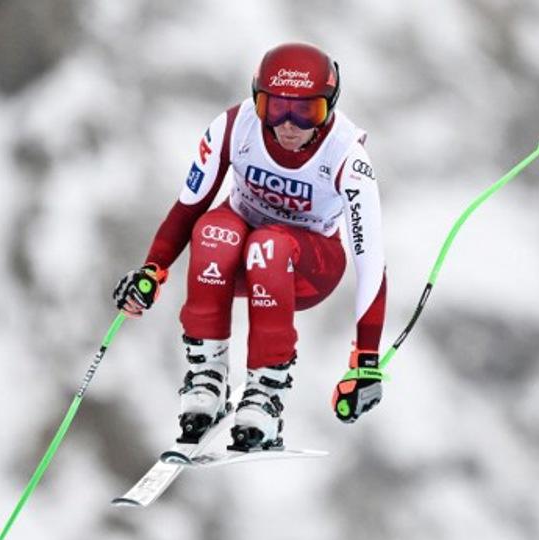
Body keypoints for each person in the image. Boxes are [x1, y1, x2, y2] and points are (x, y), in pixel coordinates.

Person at [112, 42, 386, 451]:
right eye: (274, 108)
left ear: (329, 107)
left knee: (268, 245)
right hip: (238, 256)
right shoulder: (234, 127)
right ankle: (206, 378)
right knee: (212, 230)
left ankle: (266, 393)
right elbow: (189, 207)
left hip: (308, 269)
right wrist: (152, 270)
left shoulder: (347, 156)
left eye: (306, 112)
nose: (288, 125)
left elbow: (371, 261)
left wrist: (365, 360)